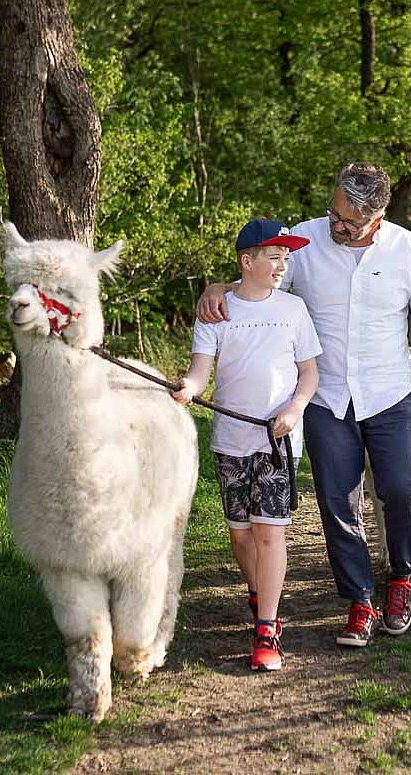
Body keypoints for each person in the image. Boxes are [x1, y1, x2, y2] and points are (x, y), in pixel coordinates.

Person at [197, 164, 411, 648]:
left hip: (388, 392)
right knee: (337, 502)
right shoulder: (307, 239)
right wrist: (219, 289)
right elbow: (262, 284)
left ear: (376, 218)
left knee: (404, 490)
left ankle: (401, 580)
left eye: (349, 221)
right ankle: (360, 600)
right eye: (333, 213)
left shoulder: (405, 249)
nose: (336, 225)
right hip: (326, 396)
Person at [173, 218, 321, 672]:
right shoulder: (217, 312)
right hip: (230, 440)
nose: (282, 265)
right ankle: (259, 593)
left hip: (278, 441)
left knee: (269, 531)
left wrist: (295, 409)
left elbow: (309, 373)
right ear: (247, 261)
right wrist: (187, 388)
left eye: (285, 258)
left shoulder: (294, 309)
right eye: (274, 257)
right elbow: (200, 371)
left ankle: (267, 628)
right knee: (241, 534)